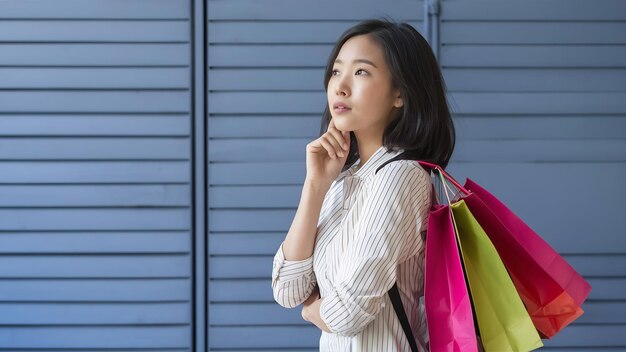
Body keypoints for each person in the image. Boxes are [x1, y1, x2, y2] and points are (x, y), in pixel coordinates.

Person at [271, 17, 456, 351]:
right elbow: (287, 289)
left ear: (400, 93)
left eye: (361, 72)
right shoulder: (343, 179)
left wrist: (313, 311)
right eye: (336, 71)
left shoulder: (400, 176)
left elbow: (347, 315)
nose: (340, 86)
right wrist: (315, 186)